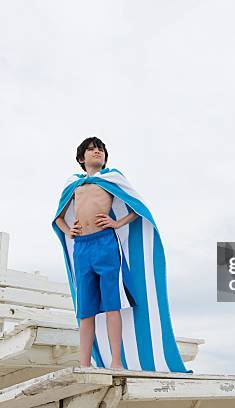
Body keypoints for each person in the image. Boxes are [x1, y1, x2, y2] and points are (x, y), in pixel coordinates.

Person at [53, 137, 138, 369]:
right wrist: (69, 230)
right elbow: (58, 218)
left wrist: (117, 223)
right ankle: (84, 364)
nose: (97, 152)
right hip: (82, 248)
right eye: (91, 150)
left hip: (105, 245)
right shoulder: (74, 184)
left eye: (100, 149)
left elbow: (138, 208)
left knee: (112, 304)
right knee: (86, 309)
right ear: (81, 158)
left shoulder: (112, 178)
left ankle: (116, 362)